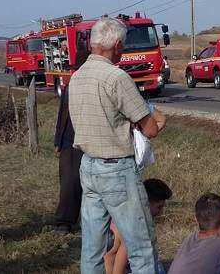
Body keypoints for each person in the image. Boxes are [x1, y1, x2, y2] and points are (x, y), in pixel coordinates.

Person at [69, 17, 167, 274]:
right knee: (142, 248)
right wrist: (152, 121)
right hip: (116, 169)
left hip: (88, 166)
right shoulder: (117, 77)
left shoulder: (77, 77)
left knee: (93, 247)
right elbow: (150, 128)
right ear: (117, 45)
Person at [106, 179, 174, 274]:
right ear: (146, 202)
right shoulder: (133, 228)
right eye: (159, 207)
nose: (161, 212)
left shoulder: (125, 215)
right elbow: (113, 262)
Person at [53, 83, 83, 233]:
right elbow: (63, 112)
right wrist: (58, 141)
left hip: (97, 140)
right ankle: (64, 221)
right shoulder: (72, 86)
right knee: (69, 183)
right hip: (70, 140)